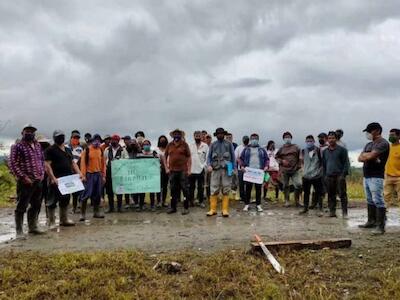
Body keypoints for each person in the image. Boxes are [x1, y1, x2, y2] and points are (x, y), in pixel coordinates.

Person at [8, 124, 45, 237]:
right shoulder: (17, 146)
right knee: (21, 206)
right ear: (22, 132)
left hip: (38, 180)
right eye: (27, 131)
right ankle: (19, 231)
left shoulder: (37, 145)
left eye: (32, 131)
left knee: (36, 204)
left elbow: (42, 160)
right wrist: (23, 177)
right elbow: (12, 163)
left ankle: (32, 227)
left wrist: (42, 173)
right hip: (25, 181)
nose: (29, 133)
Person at [45, 130, 82, 228]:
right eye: (58, 136)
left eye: (62, 136)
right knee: (52, 201)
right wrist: (52, 178)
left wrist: (79, 173)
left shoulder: (67, 149)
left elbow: (73, 163)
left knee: (65, 199)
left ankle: (64, 219)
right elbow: (47, 165)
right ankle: (51, 222)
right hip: (55, 179)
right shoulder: (50, 150)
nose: (60, 138)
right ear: (54, 138)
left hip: (67, 179)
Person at [358, 123, 390, 234]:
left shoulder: (383, 143)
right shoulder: (369, 144)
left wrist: (368, 156)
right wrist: (369, 156)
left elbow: (370, 156)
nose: (367, 134)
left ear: (376, 131)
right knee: (369, 200)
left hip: (376, 176)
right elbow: (359, 158)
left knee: (378, 200)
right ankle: (371, 221)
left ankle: (380, 226)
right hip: (366, 175)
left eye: (369, 131)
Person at [206, 127, 236, 217]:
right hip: (215, 169)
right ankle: (213, 209)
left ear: (224, 134)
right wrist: (209, 165)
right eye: (218, 134)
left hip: (227, 168)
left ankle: (225, 210)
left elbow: (233, 157)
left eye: (221, 133)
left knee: (226, 188)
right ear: (216, 135)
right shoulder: (213, 145)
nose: (220, 135)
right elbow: (209, 157)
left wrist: (233, 168)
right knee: (214, 188)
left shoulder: (229, 144)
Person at [322, 131, 350, 218]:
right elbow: (324, 165)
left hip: (339, 176)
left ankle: (344, 213)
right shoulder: (325, 151)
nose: (331, 140)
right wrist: (324, 176)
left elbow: (346, 163)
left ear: (336, 139)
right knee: (331, 194)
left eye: (333, 138)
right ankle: (332, 212)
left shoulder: (342, 150)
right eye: (329, 138)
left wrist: (343, 175)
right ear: (327, 139)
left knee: (342, 194)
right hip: (329, 176)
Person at [79, 134, 106, 221]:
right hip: (88, 175)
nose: (97, 142)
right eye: (95, 140)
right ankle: (82, 214)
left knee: (97, 194)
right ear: (92, 141)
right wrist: (83, 175)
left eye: (99, 140)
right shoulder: (86, 151)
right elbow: (82, 164)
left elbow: (103, 164)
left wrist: (103, 175)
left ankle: (96, 212)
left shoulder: (100, 150)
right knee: (85, 195)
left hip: (98, 174)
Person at [239, 133, 269, 212]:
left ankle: (258, 205)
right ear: (250, 139)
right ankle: (246, 204)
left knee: (258, 189)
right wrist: (242, 166)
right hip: (249, 172)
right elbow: (241, 159)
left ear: (258, 140)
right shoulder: (246, 149)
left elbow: (267, 159)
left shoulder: (262, 149)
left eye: (256, 138)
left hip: (259, 172)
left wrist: (266, 166)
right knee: (248, 189)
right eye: (252, 138)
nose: (254, 140)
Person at [165, 129, 191, 214]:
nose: (176, 135)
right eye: (175, 134)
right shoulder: (169, 145)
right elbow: (165, 156)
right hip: (172, 171)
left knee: (185, 189)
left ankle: (186, 208)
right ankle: (173, 207)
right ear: (173, 135)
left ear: (181, 135)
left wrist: (189, 169)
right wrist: (166, 168)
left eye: (178, 134)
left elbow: (189, 157)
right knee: (172, 190)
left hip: (183, 170)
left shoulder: (185, 144)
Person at [275, 132, 302, 207]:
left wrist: (299, 165)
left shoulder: (296, 147)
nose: (287, 138)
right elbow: (276, 157)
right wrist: (281, 161)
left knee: (298, 184)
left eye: (289, 137)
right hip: (284, 170)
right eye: (286, 137)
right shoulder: (281, 148)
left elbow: (300, 156)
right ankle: (287, 201)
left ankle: (297, 200)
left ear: (291, 138)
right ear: (283, 139)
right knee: (285, 185)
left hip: (295, 169)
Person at [299, 135, 324, 215]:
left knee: (319, 193)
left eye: (311, 141)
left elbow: (322, 163)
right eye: (308, 141)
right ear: (306, 142)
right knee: (306, 192)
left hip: (317, 175)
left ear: (314, 141)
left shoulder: (318, 150)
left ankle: (320, 209)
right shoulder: (303, 151)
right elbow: (302, 162)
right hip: (306, 176)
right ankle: (305, 208)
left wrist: (319, 172)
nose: (309, 142)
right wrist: (303, 170)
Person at [104, 135, 129, 213]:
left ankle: (119, 207)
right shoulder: (107, 149)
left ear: (118, 141)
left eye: (115, 140)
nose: (113, 141)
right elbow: (104, 160)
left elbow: (127, 159)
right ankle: (111, 207)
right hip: (109, 172)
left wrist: (120, 160)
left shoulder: (123, 150)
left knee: (119, 190)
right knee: (109, 190)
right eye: (112, 140)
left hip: (119, 172)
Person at [135, 139, 159, 211]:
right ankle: (141, 206)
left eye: (147, 144)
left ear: (150, 145)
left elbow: (158, 161)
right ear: (142, 146)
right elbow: (135, 163)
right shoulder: (139, 153)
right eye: (144, 144)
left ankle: (152, 206)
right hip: (142, 175)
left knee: (152, 191)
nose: (146, 145)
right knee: (142, 191)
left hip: (151, 175)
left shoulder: (154, 153)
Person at [188, 131, 209, 208]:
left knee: (201, 187)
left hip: (201, 169)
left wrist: (204, 166)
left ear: (201, 137)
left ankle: (200, 201)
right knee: (191, 187)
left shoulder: (205, 146)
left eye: (199, 135)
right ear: (194, 136)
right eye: (196, 135)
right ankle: (191, 201)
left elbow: (207, 157)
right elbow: (188, 157)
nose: (197, 137)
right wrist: (188, 168)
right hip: (192, 169)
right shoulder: (190, 145)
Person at [66, 130, 84, 213]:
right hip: (67, 172)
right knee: (67, 192)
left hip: (77, 172)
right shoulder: (66, 147)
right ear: (71, 138)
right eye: (74, 138)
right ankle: (65, 209)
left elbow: (81, 160)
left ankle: (74, 208)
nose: (76, 140)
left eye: (77, 138)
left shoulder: (80, 149)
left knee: (76, 192)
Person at [384, 128, 400, 205]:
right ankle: (383, 216)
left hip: (399, 177)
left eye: (393, 135)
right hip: (388, 176)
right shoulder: (387, 147)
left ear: (399, 136)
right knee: (385, 198)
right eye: (390, 135)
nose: (390, 136)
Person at [156, 135, 169, 208]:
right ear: (159, 141)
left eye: (164, 140)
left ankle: (164, 201)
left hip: (166, 170)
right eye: (161, 140)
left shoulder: (168, 149)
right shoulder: (156, 150)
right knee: (158, 186)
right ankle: (158, 201)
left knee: (165, 186)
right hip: (158, 170)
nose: (162, 141)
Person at [235, 136, 249, 202]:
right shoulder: (239, 148)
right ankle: (242, 197)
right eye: (245, 140)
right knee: (241, 183)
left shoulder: (250, 147)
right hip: (240, 168)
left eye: (247, 140)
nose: (246, 141)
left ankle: (247, 196)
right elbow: (236, 157)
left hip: (249, 169)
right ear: (242, 140)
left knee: (248, 183)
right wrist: (241, 164)